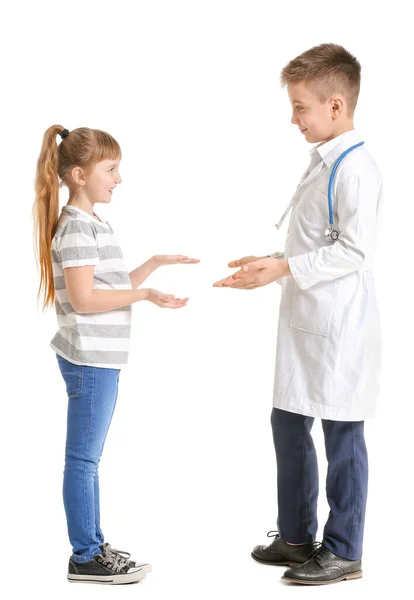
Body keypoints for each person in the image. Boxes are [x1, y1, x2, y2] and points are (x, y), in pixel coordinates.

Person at [213, 43, 383, 586]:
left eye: (301, 107)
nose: (293, 118)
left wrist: (282, 268)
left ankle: (344, 550)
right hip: (308, 322)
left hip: (339, 328)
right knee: (287, 421)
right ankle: (295, 537)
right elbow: (312, 241)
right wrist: (272, 263)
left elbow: (355, 251)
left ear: (336, 106)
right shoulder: (324, 162)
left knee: (342, 435)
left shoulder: (357, 169)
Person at [32, 125, 199, 585]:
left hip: (97, 360)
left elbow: (106, 286)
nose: (118, 178)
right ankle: (86, 555)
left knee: (87, 459)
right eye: (111, 169)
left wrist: (152, 267)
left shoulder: (91, 225)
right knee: (83, 461)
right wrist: (144, 294)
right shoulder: (78, 229)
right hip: (89, 361)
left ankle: (92, 546)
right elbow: (85, 301)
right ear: (80, 175)